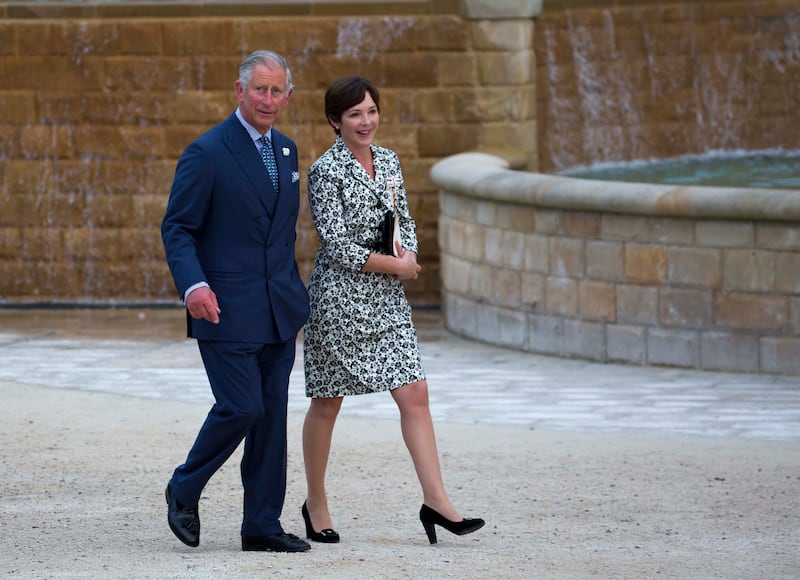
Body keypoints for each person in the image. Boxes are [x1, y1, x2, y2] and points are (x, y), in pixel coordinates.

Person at [300, 76, 485, 545]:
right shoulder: (325, 170)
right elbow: (336, 244)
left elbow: (403, 217)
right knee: (328, 402)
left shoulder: (389, 160)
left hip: (387, 295)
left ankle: (437, 501)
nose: (366, 121)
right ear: (335, 122)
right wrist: (396, 266)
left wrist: (410, 255)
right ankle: (316, 504)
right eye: (355, 114)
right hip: (340, 298)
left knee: (415, 393)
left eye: (371, 111)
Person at [160, 50, 311, 553]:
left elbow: (280, 234)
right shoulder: (207, 152)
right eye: (259, 90)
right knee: (241, 406)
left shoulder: (288, 152)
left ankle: (262, 526)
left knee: (270, 419)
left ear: (288, 96)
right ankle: (184, 486)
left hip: (278, 312)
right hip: (222, 307)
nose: (268, 100)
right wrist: (193, 286)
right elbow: (178, 227)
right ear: (239, 90)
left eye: (277, 91)